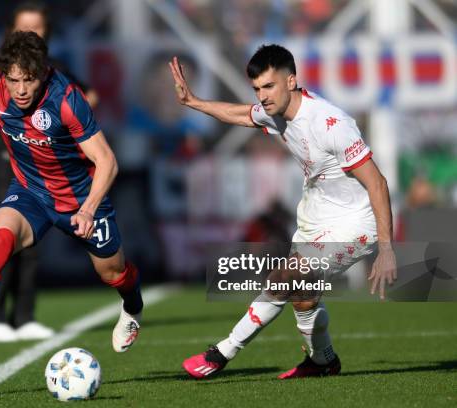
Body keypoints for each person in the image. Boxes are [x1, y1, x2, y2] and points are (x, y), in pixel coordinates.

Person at [0, 31, 143, 378]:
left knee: (112, 273)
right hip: (31, 192)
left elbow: (107, 161)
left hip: (81, 199)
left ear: (44, 72)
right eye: (14, 80)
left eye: (29, 80)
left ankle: (133, 307)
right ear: (4, 73)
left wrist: (88, 208)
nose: (20, 90)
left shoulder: (66, 98)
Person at [169, 44, 397, 379]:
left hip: (355, 222)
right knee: (302, 298)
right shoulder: (274, 111)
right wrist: (193, 102)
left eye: (269, 86)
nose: (262, 96)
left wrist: (387, 247)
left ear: (291, 81)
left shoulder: (332, 124)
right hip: (315, 216)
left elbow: (377, 183)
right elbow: (241, 114)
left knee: (285, 277)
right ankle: (323, 361)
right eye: (257, 89)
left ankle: (221, 353)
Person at [0, 2, 97, 343]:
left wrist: (69, 123)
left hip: (46, 170)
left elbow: (88, 96)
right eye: (24, 26)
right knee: (3, 238)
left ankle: (23, 317)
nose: (31, 33)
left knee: (32, 246)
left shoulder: (54, 73)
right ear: (10, 30)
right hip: (2, 163)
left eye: (37, 28)